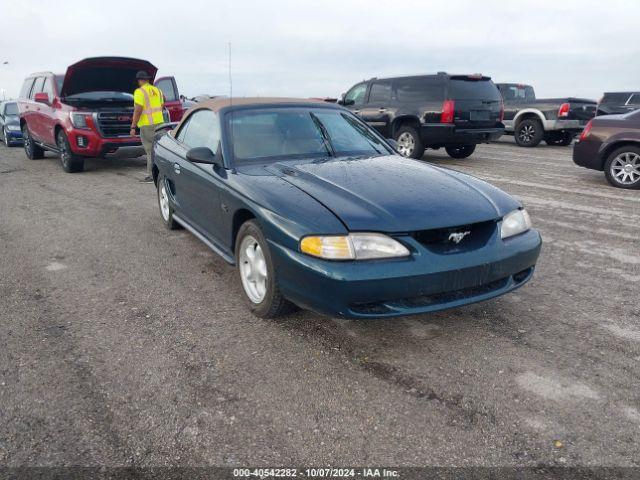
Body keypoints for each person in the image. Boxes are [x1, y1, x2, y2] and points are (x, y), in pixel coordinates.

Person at [130, 71, 164, 183]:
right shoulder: (157, 90)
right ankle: (162, 173)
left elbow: (138, 109)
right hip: (160, 124)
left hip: (147, 125)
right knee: (159, 149)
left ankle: (151, 176)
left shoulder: (140, 91)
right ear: (148, 80)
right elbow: (162, 104)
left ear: (139, 80)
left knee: (150, 151)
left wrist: (133, 126)